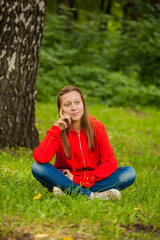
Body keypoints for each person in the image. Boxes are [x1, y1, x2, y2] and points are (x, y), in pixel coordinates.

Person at [31, 86, 136, 200]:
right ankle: (92, 196)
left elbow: (110, 163)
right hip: (65, 177)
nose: (74, 108)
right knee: (37, 167)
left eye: (77, 102)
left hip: (92, 179)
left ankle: (69, 191)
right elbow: (41, 157)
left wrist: (78, 180)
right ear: (61, 110)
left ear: (83, 105)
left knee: (128, 173)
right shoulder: (58, 132)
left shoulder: (97, 127)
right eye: (67, 105)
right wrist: (56, 128)